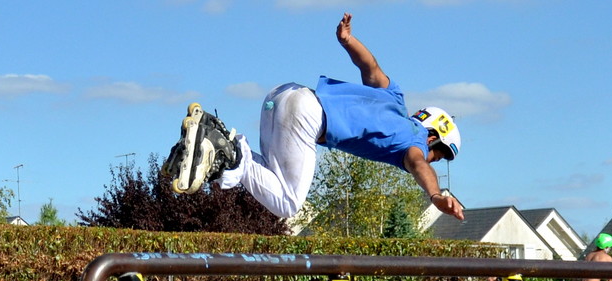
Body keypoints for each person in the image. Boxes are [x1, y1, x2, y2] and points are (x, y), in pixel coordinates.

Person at [161, 12, 465, 221]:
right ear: (431, 137)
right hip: (306, 116)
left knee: (272, 177)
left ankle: (215, 144)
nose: (431, 159)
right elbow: (417, 163)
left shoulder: (394, 97)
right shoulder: (415, 141)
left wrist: (348, 41)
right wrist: (435, 195)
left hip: (281, 96)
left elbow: (370, 67)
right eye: (437, 155)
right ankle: (229, 154)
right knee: (289, 204)